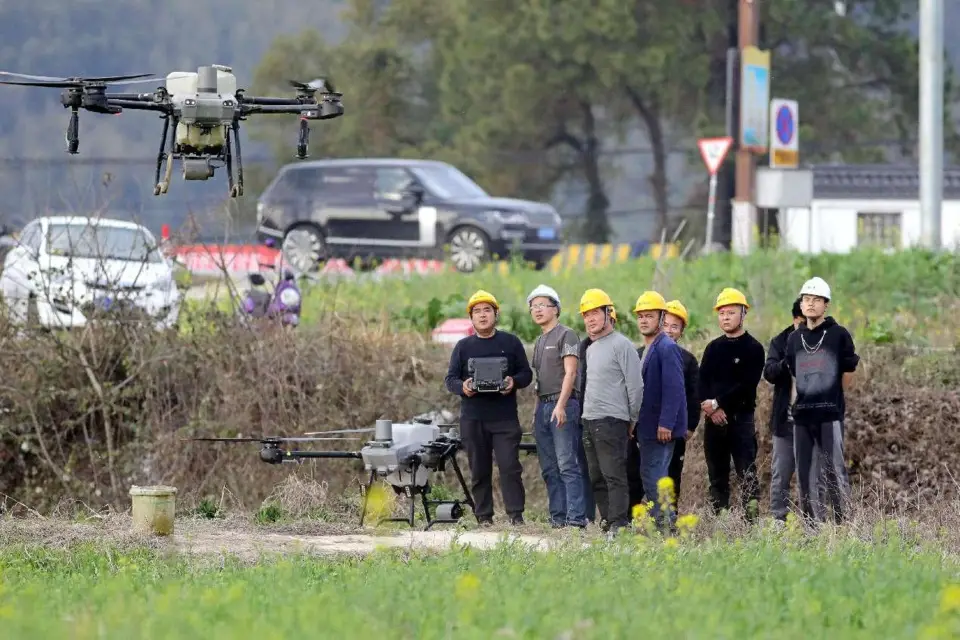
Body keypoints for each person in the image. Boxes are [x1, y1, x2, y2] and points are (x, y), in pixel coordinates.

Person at [444, 289, 533, 526]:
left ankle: (516, 515)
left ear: (496, 313)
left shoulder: (511, 342)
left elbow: (526, 374)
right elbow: (450, 379)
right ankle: (484, 517)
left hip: (504, 418)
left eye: (487, 310)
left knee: (510, 467)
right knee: (479, 470)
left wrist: (514, 382)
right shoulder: (463, 347)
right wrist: (463, 387)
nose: (482, 315)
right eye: (477, 311)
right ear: (471, 317)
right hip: (473, 419)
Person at [785, 277, 860, 525]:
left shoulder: (839, 334)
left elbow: (849, 369)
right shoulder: (794, 339)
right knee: (805, 474)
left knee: (833, 471)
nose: (810, 304)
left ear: (825, 305)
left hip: (829, 414)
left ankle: (841, 525)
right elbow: (795, 375)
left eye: (816, 300)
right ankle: (810, 527)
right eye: (807, 299)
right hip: (803, 415)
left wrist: (834, 397)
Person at [576, 288, 643, 535]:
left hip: (612, 419)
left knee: (614, 474)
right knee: (596, 476)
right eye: (586, 315)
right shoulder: (590, 348)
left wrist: (632, 418)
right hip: (589, 419)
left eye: (595, 312)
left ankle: (619, 524)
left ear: (608, 313)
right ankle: (607, 522)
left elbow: (636, 386)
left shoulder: (622, 345)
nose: (590, 319)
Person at [698, 287, 766, 521]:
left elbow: (746, 385)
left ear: (743, 313)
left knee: (746, 472)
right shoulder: (713, 348)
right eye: (722, 313)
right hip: (713, 422)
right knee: (716, 475)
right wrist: (709, 406)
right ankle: (721, 521)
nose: (725, 317)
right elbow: (702, 380)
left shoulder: (754, 348)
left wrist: (718, 403)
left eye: (731, 312)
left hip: (740, 420)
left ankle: (751, 523)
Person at [527, 284, 588, 528]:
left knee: (567, 465)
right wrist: (536, 414)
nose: (537, 310)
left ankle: (576, 520)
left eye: (543, 305)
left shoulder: (567, 335)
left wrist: (561, 406)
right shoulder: (540, 341)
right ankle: (558, 518)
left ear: (556, 309)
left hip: (563, 405)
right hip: (543, 407)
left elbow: (570, 373)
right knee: (549, 468)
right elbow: (538, 382)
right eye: (533, 306)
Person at [631, 291, 687, 529]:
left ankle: (667, 527)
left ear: (662, 317)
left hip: (660, 428)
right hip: (647, 427)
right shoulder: (647, 349)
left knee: (655, 478)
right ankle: (663, 525)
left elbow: (674, 389)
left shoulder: (666, 347)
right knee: (650, 475)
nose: (644, 320)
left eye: (649, 315)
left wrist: (666, 423)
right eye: (641, 316)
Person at [763, 297, 805, 522]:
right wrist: (788, 361)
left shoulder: (824, 340)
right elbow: (769, 372)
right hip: (785, 422)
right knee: (781, 474)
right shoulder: (780, 341)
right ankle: (779, 520)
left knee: (812, 475)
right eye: (802, 323)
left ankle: (813, 521)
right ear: (795, 319)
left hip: (814, 423)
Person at [661, 299, 701, 506]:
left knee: (672, 473)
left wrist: (690, 426)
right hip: (648, 427)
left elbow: (694, 396)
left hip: (676, 429)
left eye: (674, 326)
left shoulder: (688, 360)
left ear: (682, 331)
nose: (669, 330)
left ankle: (670, 517)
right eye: (665, 325)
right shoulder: (643, 353)